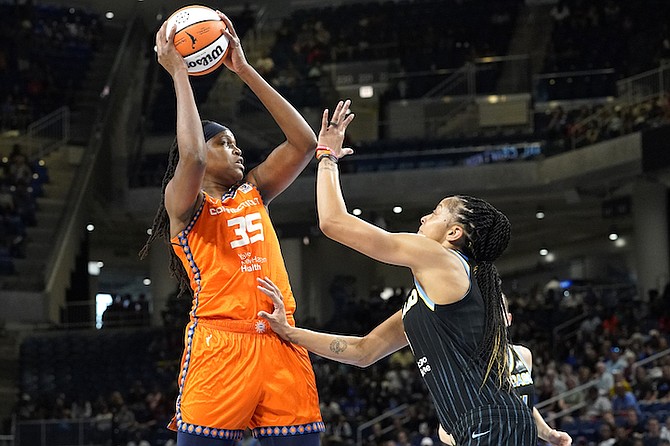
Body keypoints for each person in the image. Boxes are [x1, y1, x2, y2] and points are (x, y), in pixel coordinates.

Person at [257, 100, 538, 445]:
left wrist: (326, 157)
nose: (423, 218)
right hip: (487, 426)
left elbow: (333, 222)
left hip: (490, 425)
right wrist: (290, 332)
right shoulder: (425, 306)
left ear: (454, 233)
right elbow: (363, 352)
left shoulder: (441, 258)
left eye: (435, 213)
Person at [140, 12, 323, 446]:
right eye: (223, 141)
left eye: (235, 141)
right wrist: (180, 76)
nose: (235, 147)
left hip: (281, 339)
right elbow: (193, 160)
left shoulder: (254, 191)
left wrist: (244, 69)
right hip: (220, 345)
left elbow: (304, 143)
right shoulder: (183, 204)